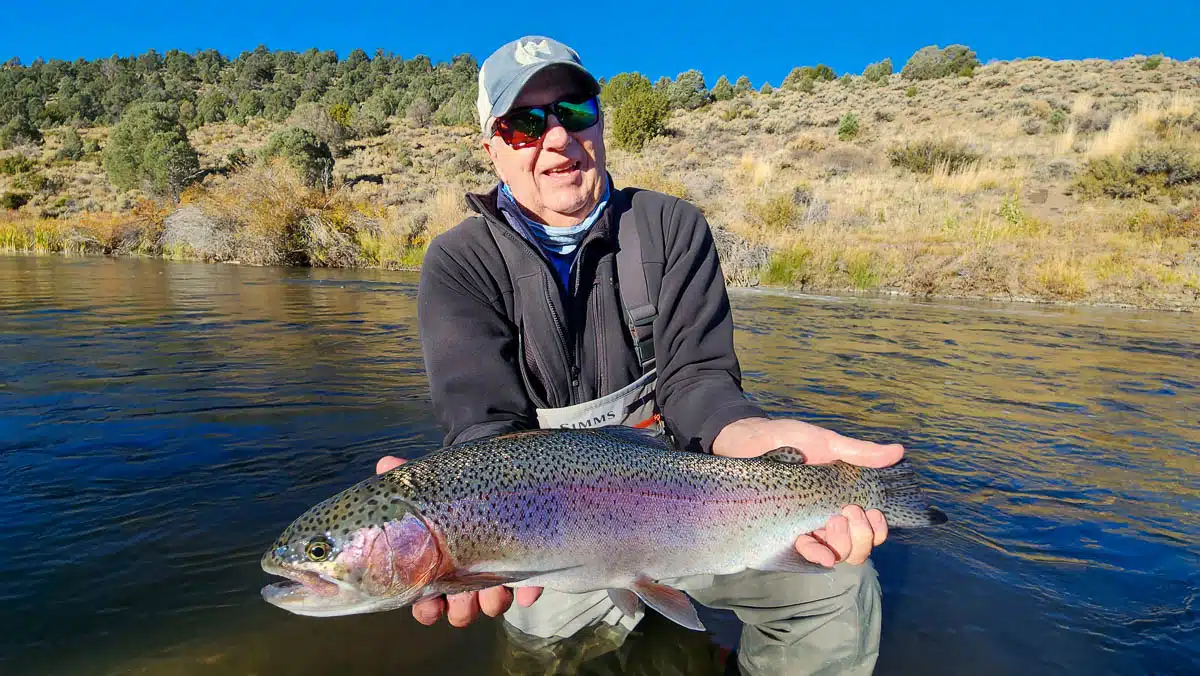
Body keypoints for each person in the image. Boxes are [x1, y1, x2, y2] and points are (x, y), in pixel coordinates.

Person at [375, 35, 904, 676]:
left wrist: (753, 436)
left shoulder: (668, 227)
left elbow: (699, 383)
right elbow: (483, 426)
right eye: (524, 124)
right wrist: (454, 520)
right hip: (549, 532)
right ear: (491, 147)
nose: (558, 138)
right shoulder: (460, 263)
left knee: (838, 586)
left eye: (575, 111)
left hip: (692, 504)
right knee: (543, 652)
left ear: (599, 123)